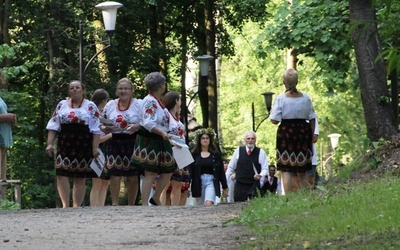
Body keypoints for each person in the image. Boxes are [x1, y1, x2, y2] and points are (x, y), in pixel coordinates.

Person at [46, 80, 101, 208]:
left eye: (77, 87)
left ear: (82, 90)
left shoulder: (90, 106)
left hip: (83, 143)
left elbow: (96, 128)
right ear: (69, 91)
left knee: (80, 176)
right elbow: (54, 125)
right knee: (61, 173)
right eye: (72, 88)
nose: (74, 90)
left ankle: (76, 206)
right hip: (65, 142)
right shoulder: (62, 104)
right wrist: (49, 144)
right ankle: (65, 205)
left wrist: (95, 147)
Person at [269, 68, 316, 193]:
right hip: (303, 132)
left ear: (284, 82)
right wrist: (311, 135)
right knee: (303, 167)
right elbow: (312, 118)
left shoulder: (281, 99)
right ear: (297, 82)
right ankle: (305, 195)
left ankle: (288, 197)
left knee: (286, 168)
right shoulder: (306, 98)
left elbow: (274, 120)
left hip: (287, 132)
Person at [131, 72, 175, 206]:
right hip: (150, 139)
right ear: (161, 86)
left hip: (160, 139)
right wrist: (162, 132)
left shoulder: (157, 102)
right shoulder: (150, 101)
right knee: (149, 173)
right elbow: (148, 122)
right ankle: (145, 204)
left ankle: (155, 197)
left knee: (169, 169)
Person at [101, 78, 141, 206]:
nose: (123, 91)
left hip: (132, 141)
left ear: (131, 91)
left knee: (132, 175)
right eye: (120, 88)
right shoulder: (110, 104)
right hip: (115, 140)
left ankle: (131, 204)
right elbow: (101, 123)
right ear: (117, 90)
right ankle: (114, 203)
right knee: (114, 173)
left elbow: (146, 122)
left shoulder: (138, 104)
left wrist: (137, 126)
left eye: (126, 88)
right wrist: (105, 128)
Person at [160, 91, 190, 206]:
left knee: (178, 182)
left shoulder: (177, 117)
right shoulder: (166, 115)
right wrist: (171, 142)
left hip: (181, 150)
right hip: (169, 150)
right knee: (165, 183)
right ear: (176, 100)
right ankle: (161, 207)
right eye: (180, 100)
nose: (181, 102)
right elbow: (163, 131)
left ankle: (175, 208)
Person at [226, 130, 268, 202]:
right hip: (240, 184)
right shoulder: (238, 151)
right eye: (248, 138)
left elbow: (265, 169)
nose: (250, 140)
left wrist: (260, 175)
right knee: (238, 206)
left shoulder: (261, 152)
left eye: (252, 138)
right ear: (244, 140)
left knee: (253, 205)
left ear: (255, 140)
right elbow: (231, 167)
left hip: (254, 184)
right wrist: (226, 183)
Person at [190, 128, 228, 206]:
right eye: (203, 138)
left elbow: (221, 172)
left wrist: (225, 187)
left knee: (208, 202)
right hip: (198, 181)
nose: (205, 140)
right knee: (200, 204)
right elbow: (191, 171)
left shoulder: (215, 155)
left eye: (207, 138)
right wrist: (187, 183)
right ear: (199, 140)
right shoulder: (194, 154)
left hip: (211, 181)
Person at [89, 89, 112, 206]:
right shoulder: (94, 114)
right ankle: (94, 207)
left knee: (106, 182)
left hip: (107, 149)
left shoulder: (103, 114)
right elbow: (96, 138)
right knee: (97, 181)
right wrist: (111, 134)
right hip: (98, 149)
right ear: (104, 100)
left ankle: (101, 206)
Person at [0, 96, 17, 181]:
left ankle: (2, 194)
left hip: (3, 141)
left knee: (2, 178)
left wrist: (12, 119)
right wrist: (6, 117)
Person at [307, 118, 319, 189]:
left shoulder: (312, 117)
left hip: (310, 157)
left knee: (310, 182)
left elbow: (315, 138)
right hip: (294, 157)